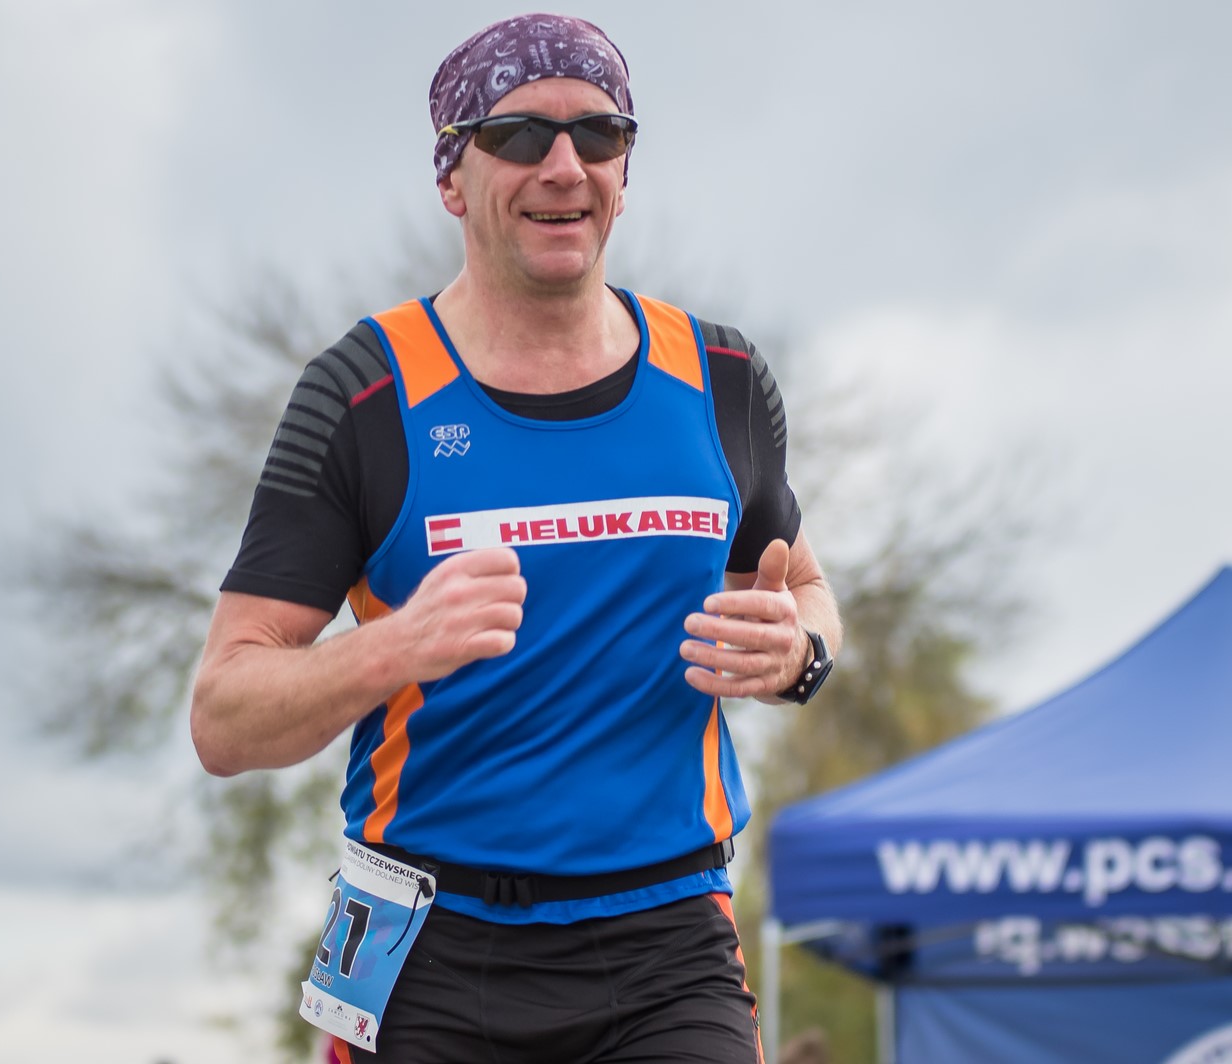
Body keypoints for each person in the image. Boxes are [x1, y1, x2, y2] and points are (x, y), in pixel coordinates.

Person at [190, 13, 841, 1063]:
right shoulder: (363, 393)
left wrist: (798, 652)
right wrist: (397, 645)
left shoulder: (720, 378)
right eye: (520, 135)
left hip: (668, 939)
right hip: (430, 946)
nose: (565, 166)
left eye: (599, 133)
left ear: (625, 171)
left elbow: (803, 585)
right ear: (453, 176)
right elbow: (223, 717)